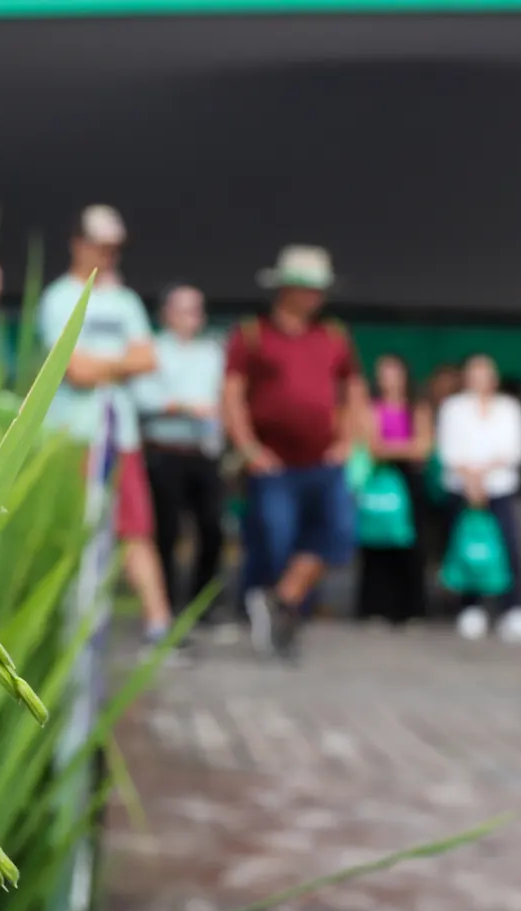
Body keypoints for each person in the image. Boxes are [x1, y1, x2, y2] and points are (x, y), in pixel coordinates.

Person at [39, 205, 176, 657]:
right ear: (78, 244)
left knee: (135, 528)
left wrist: (101, 365)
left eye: (115, 248)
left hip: (121, 436)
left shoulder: (126, 300)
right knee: (70, 531)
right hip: (71, 435)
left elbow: (148, 358)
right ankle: (63, 623)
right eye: (101, 246)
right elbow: (74, 371)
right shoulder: (58, 298)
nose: (109, 255)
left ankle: (158, 625)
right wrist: (121, 363)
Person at [222, 245, 368, 660]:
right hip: (274, 464)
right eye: (308, 288)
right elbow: (232, 396)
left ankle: (283, 600)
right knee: (276, 538)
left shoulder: (334, 336)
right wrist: (249, 448)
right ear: (285, 288)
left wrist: (347, 441)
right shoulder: (252, 334)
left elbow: (354, 389)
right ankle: (276, 610)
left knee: (338, 536)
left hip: (324, 462)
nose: (315, 296)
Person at [437, 354, 521, 643]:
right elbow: (448, 450)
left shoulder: (509, 408)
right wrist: (471, 479)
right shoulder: (453, 408)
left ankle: (513, 609)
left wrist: (484, 474)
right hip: (462, 488)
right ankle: (470, 607)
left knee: (508, 547)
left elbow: (515, 450)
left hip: (500, 488)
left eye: (484, 373)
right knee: (467, 548)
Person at [129, 284, 226, 622]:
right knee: (166, 532)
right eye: (183, 310)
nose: (190, 317)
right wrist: (184, 407)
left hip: (203, 452)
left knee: (213, 529)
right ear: (166, 313)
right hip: (165, 451)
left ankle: (203, 605)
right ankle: (163, 606)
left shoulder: (212, 352)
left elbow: (221, 400)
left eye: (196, 310)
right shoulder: (151, 349)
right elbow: (143, 399)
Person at [354, 354, 433, 625]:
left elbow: (423, 447)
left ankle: (411, 609)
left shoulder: (417, 408)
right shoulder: (370, 408)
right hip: (378, 480)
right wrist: (404, 448)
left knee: (410, 545)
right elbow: (371, 446)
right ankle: (375, 607)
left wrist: (390, 449)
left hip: (409, 482)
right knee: (375, 543)